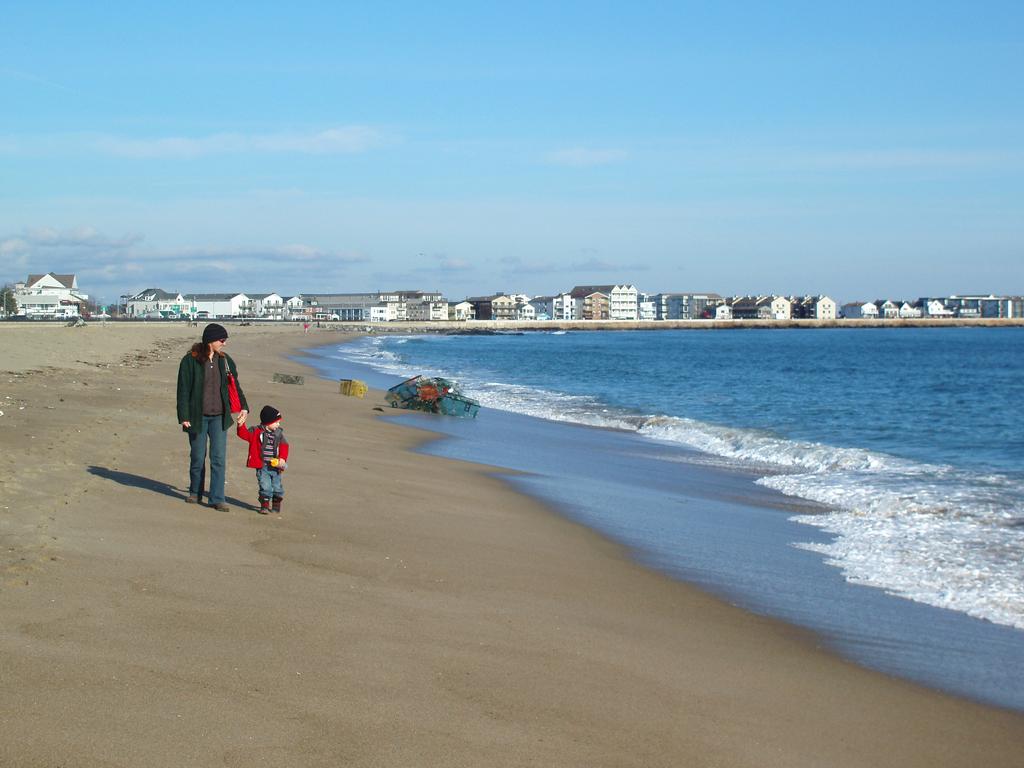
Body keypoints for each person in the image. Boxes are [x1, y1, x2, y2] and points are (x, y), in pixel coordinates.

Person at [176, 323, 248, 510]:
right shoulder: (189, 361)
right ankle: (195, 492)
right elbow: (182, 390)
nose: (224, 344)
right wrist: (183, 415)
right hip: (196, 417)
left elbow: (235, 386)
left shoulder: (225, 361)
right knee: (198, 457)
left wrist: (244, 408)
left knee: (218, 458)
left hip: (220, 418)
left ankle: (217, 498)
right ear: (210, 341)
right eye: (221, 340)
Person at [236, 405, 289, 514]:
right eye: (276, 422)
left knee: (277, 487)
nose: (278, 424)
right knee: (265, 486)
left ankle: (276, 504)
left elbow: (284, 445)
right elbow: (244, 434)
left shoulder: (279, 434)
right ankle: (264, 505)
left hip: (275, 466)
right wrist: (241, 425)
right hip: (262, 465)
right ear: (268, 422)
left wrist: (282, 459)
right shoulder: (256, 431)